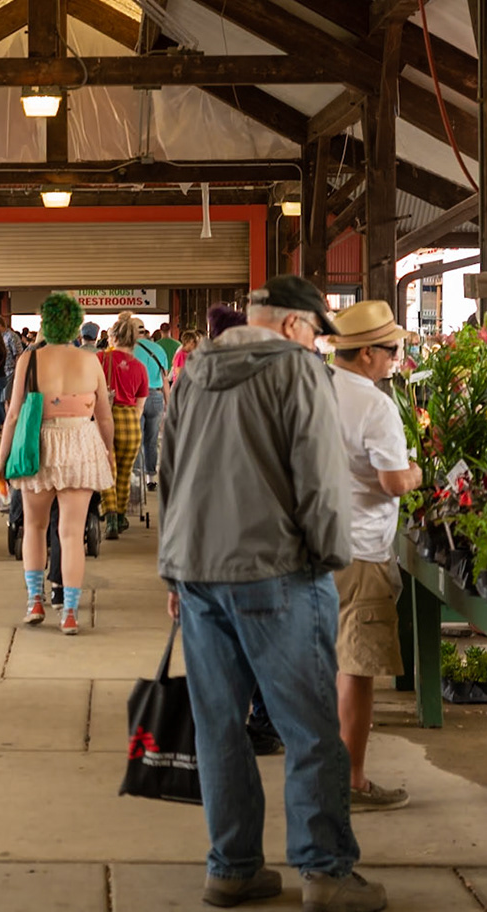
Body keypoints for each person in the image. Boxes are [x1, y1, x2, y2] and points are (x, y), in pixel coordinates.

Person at [158, 275, 382, 912]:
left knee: (219, 728)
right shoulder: (298, 372)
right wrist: (330, 554)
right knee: (310, 727)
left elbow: (168, 471)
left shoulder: (194, 370)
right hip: (278, 571)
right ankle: (327, 874)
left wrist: (173, 570)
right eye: (315, 332)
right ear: (290, 325)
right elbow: (319, 478)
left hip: (198, 573)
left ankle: (230, 868)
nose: (317, 345)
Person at [328, 301, 424, 812]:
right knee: (356, 669)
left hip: (310, 547)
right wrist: (415, 474)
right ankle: (352, 780)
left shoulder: (312, 389)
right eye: (391, 350)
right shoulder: (375, 405)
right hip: (361, 551)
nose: (396, 358)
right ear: (366, 354)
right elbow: (391, 482)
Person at [0, 292, 113, 635]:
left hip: (39, 447)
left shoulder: (30, 360)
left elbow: (13, 414)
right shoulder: (91, 361)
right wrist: (108, 453)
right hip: (79, 446)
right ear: (76, 325)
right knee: (72, 534)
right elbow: (104, 418)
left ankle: (35, 601)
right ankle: (70, 612)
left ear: (45, 323)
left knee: (34, 527)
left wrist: (1, 459)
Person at [96, 314, 149, 540]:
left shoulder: (101, 359)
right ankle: (120, 516)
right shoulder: (140, 367)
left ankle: (109, 519)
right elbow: (140, 406)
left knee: (108, 469)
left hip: (106, 418)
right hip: (130, 421)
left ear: (114, 337)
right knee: (125, 473)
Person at [131, 314, 172, 494]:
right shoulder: (158, 350)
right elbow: (164, 379)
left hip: (135, 398)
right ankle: (151, 478)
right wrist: (168, 403)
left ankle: (137, 478)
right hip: (155, 397)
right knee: (152, 439)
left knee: (136, 439)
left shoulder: (128, 350)